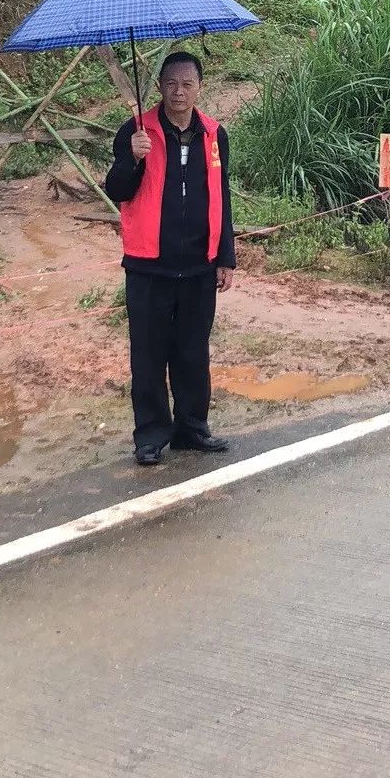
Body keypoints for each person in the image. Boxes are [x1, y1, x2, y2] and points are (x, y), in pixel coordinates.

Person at [104, 50, 236, 466]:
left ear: (200, 87)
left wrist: (225, 256)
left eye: (188, 83)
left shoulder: (215, 134)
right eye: (171, 83)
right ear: (159, 86)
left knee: (193, 351)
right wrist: (133, 158)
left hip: (199, 263)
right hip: (148, 264)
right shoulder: (136, 130)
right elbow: (118, 189)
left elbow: (222, 197)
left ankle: (192, 428)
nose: (179, 92)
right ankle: (150, 435)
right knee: (148, 354)